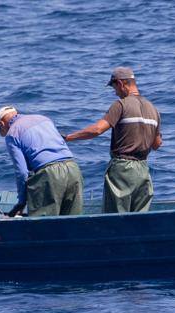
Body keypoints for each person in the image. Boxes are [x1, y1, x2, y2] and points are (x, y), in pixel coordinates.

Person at [64, 66, 162, 213]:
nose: (115, 92)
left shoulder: (120, 105)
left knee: (116, 217)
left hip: (122, 170)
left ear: (121, 84)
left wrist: (69, 137)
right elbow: (156, 144)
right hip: (143, 170)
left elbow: (97, 130)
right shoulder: (153, 110)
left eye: (114, 87)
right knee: (140, 219)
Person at [0, 105, 83, 217]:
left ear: (1, 124)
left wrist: (22, 202)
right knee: (73, 221)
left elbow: (22, 172)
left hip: (49, 175)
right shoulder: (44, 119)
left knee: (43, 225)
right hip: (73, 168)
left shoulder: (12, 133)